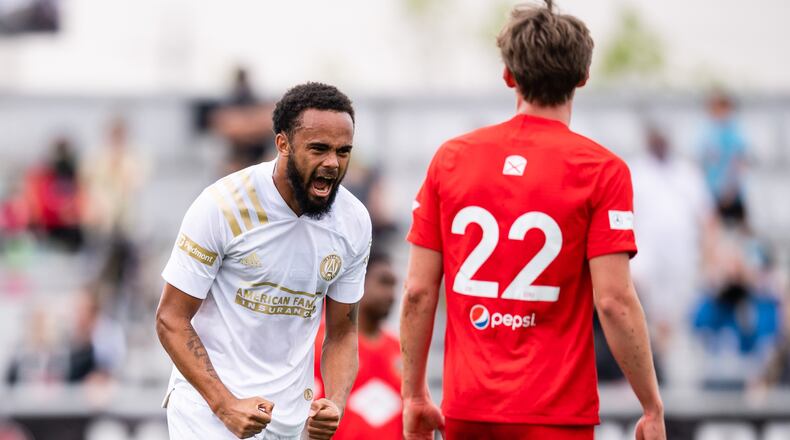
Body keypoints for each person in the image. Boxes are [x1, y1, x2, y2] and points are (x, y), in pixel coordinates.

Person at [400, 2, 665, 440]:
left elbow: (416, 292)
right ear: (582, 77)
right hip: (555, 414)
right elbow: (614, 301)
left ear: (508, 76)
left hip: (468, 409)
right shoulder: (602, 169)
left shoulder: (451, 158)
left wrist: (413, 395)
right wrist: (651, 406)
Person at [156, 82, 372, 440]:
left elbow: (343, 331)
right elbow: (170, 319)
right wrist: (225, 404)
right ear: (282, 144)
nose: (332, 163)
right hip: (208, 413)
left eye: (343, 151)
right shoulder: (222, 205)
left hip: (287, 418)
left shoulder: (353, 221)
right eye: (318, 149)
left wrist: (334, 402)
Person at [629, 125, 716, 388]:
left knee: (680, 323)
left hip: (683, 261)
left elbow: (707, 218)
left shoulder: (687, 173)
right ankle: (649, 377)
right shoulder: (635, 171)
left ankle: (675, 381)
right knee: (646, 321)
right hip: (644, 260)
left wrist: (710, 257)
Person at [313, 250, 402, 439]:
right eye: (384, 283)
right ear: (360, 283)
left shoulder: (401, 350)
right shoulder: (322, 344)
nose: (391, 294)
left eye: (394, 286)